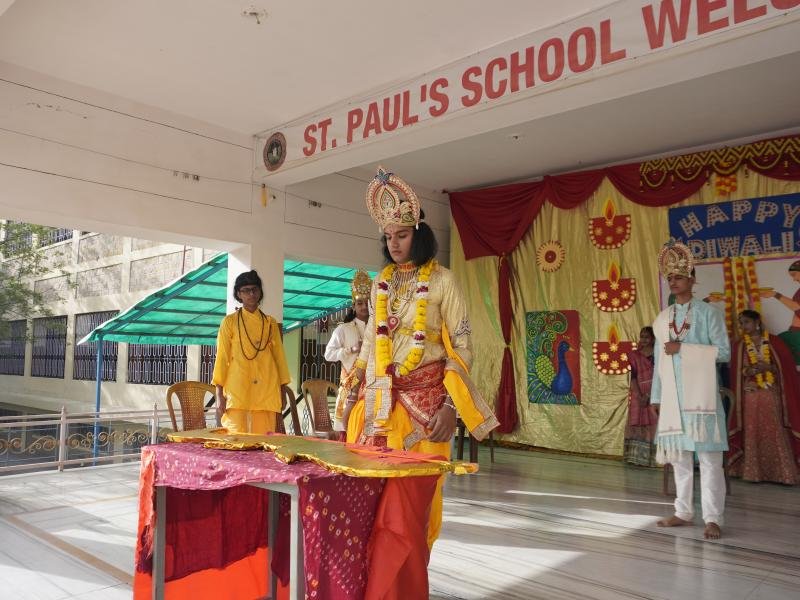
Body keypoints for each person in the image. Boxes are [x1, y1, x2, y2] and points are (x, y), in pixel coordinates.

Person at [343, 166, 499, 548]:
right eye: (389, 237)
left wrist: (450, 407)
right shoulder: (381, 282)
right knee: (369, 496)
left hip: (427, 406)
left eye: (402, 235)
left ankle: (412, 570)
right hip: (379, 400)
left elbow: (462, 346)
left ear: (419, 233)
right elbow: (370, 342)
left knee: (416, 503)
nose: (394, 244)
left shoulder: (443, 280)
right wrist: (351, 391)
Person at [651, 241, 731, 540]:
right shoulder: (662, 319)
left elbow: (724, 352)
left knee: (709, 460)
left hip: (703, 398)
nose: (673, 282)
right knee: (679, 458)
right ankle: (683, 512)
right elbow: (659, 361)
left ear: (692, 280)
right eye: (670, 278)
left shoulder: (709, 314)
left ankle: (713, 518)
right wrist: (656, 396)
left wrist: (683, 349)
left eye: (679, 277)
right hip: (674, 398)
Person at [212, 270, 291, 434]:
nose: (251, 294)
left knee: (263, 440)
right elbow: (222, 359)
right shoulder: (229, 322)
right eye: (246, 290)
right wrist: (218, 394)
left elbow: (279, 359)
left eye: (255, 289)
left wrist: (282, 392)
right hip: (238, 389)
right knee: (235, 438)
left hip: (266, 389)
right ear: (238, 294)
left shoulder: (270, 323)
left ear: (260, 292)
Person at [728, 310, 800, 484]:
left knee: (774, 429)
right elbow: (738, 371)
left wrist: (769, 368)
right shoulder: (740, 345)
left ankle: (782, 473)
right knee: (752, 429)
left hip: (771, 392)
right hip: (751, 394)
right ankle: (753, 472)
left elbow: (785, 368)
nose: (743, 326)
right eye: (741, 323)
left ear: (757, 322)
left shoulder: (774, 341)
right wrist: (750, 371)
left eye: (746, 322)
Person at [325, 269, 372, 435]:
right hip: (351, 387)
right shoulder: (343, 329)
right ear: (353, 306)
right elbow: (328, 355)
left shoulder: (378, 329)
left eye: (367, 303)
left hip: (372, 386)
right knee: (348, 431)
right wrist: (351, 350)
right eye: (360, 303)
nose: (364, 306)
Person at [624, 326, 658, 467]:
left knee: (653, 422)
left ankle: (653, 458)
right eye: (642, 337)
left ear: (653, 339)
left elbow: (660, 376)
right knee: (637, 422)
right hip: (638, 394)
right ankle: (636, 458)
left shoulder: (658, 355)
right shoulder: (634, 355)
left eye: (647, 337)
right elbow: (633, 377)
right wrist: (639, 396)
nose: (643, 340)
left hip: (655, 393)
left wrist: (650, 395)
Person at [761, 260, 800, 365]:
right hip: (795, 331)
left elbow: (797, 309)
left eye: (794, 274)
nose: (794, 279)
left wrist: (775, 295)